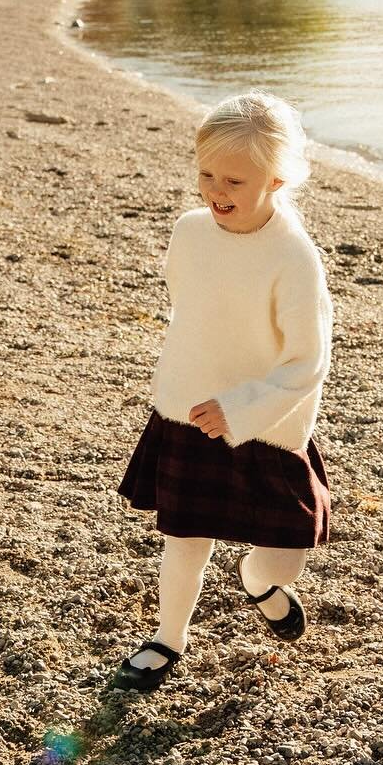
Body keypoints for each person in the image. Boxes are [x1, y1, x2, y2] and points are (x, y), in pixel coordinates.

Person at [114, 92, 334, 691]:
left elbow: (307, 360)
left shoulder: (294, 257)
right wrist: (193, 382)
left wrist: (240, 406)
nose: (217, 189)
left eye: (235, 179)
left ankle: (259, 580)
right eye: (206, 173)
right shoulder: (189, 233)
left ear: (277, 178)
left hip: (264, 423)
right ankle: (167, 637)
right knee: (184, 535)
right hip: (188, 412)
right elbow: (189, 308)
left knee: (287, 547)